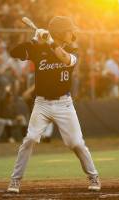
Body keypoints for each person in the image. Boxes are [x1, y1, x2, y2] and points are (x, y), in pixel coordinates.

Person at [6, 16, 100, 193]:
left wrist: (49, 41)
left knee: (76, 143)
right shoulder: (38, 48)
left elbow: (64, 59)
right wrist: (34, 40)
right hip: (41, 104)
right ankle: (15, 180)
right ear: (59, 32)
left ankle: (93, 175)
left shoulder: (73, 49)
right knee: (30, 139)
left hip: (64, 104)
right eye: (68, 30)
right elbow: (14, 53)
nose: (72, 33)